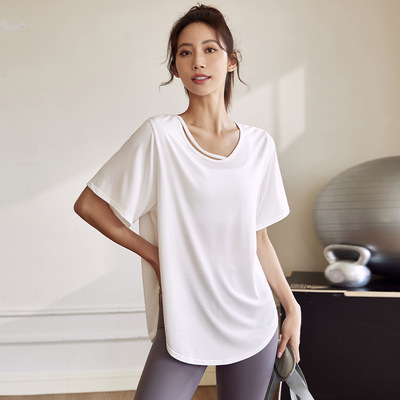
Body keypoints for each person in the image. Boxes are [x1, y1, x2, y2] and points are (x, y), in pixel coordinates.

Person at [74, 4, 301, 400]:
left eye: (210, 49)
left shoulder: (259, 145)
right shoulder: (160, 136)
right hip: (185, 312)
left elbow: (259, 238)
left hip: (252, 316)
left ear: (231, 61)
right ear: (175, 68)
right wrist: (156, 256)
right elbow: (90, 205)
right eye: (185, 52)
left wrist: (291, 306)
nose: (198, 61)